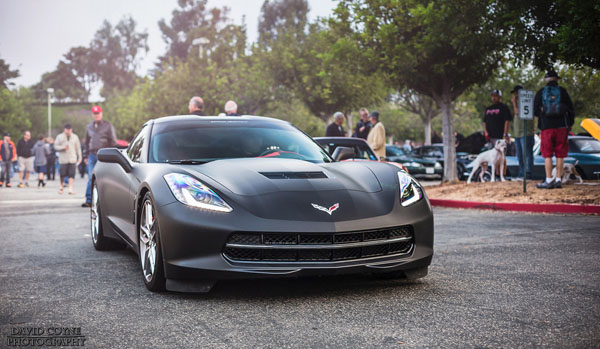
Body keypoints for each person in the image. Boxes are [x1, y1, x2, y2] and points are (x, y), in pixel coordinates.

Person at [534, 70, 575, 189]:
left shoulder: (541, 92)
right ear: (557, 79)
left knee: (547, 155)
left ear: (546, 79)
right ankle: (558, 180)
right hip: (561, 126)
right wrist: (570, 123)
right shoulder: (562, 91)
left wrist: (542, 116)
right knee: (560, 155)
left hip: (546, 127)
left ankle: (548, 180)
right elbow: (571, 109)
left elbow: (535, 110)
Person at [82, 106, 117, 206]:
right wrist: (85, 156)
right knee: (90, 178)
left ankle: (105, 201)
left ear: (101, 114)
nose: (96, 115)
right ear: (92, 114)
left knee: (104, 179)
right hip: (91, 155)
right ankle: (89, 200)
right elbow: (86, 142)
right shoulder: (89, 126)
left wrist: (111, 155)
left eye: (98, 113)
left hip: (103, 156)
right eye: (94, 114)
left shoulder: (108, 125)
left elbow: (113, 142)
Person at [510, 85, 536, 180]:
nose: (515, 95)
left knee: (527, 154)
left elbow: (517, 113)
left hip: (526, 133)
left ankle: (528, 174)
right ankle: (522, 173)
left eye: (516, 93)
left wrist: (514, 103)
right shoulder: (518, 104)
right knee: (520, 155)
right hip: (517, 134)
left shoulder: (526, 103)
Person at [55, 124, 83, 195]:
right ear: (64, 130)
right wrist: (62, 147)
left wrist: (80, 157)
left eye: (69, 130)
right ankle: (61, 187)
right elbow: (55, 146)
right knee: (62, 174)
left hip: (72, 158)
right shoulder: (59, 136)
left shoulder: (75, 137)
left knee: (71, 174)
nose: (68, 131)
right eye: (67, 130)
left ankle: (70, 189)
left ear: (71, 130)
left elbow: (78, 148)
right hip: (63, 159)